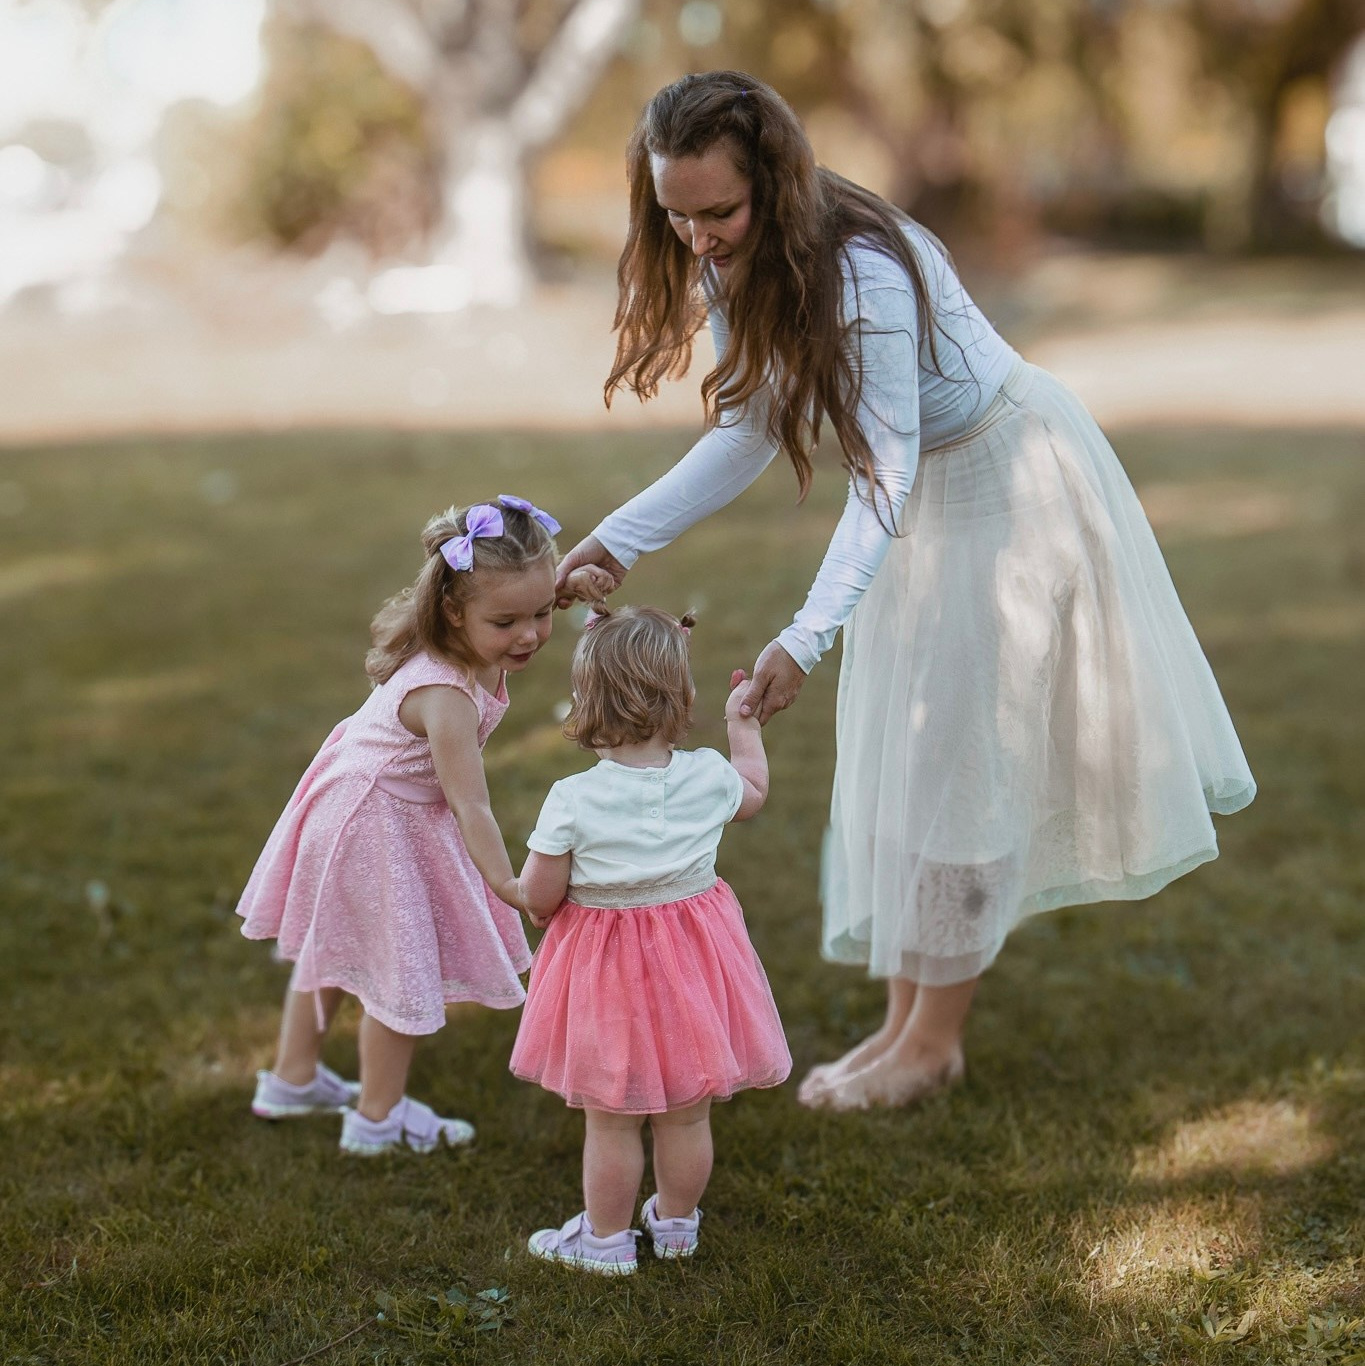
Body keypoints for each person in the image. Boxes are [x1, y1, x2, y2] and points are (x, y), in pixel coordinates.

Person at [554, 71, 1256, 1113]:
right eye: (675, 214)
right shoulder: (731, 260)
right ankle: (902, 1028)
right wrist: (617, 540)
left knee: (962, 763)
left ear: (774, 184)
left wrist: (805, 634)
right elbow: (749, 426)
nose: (698, 237)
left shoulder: (862, 275)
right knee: (910, 754)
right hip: (925, 498)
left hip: (1008, 482)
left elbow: (882, 476)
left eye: (718, 211)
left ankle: (932, 1041)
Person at [237, 495, 561, 1154]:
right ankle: (377, 1120)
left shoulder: (464, 634)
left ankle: (293, 1079)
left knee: (332, 944)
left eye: (545, 612)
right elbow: (470, 802)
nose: (528, 635)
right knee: (399, 970)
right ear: (453, 611)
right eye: (508, 621)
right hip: (374, 826)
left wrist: (562, 589)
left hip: (349, 805)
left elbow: (520, 604)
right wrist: (506, 882)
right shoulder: (444, 696)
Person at [509, 604, 791, 1275]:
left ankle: (604, 1243)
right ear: (681, 697)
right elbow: (752, 792)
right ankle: (674, 1227)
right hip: (693, 965)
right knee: (685, 1116)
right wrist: (740, 726)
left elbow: (540, 897)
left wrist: (520, 893)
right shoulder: (706, 776)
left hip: (608, 973)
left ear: (586, 701)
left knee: (611, 1116)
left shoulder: (572, 799)